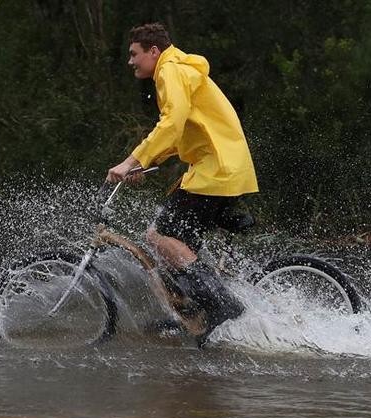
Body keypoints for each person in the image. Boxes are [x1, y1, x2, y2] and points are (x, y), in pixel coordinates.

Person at [106, 23, 258, 346]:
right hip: (219, 168)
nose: (130, 61)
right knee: (164, 239)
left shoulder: (170, 71)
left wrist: (131, 161)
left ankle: (220, 303)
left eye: (134, 54)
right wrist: (146, 164)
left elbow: (171, 123)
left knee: (159, 236)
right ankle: (193, 311)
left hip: (216, 170)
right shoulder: (177, 69)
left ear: (153, 52)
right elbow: (180, 135)